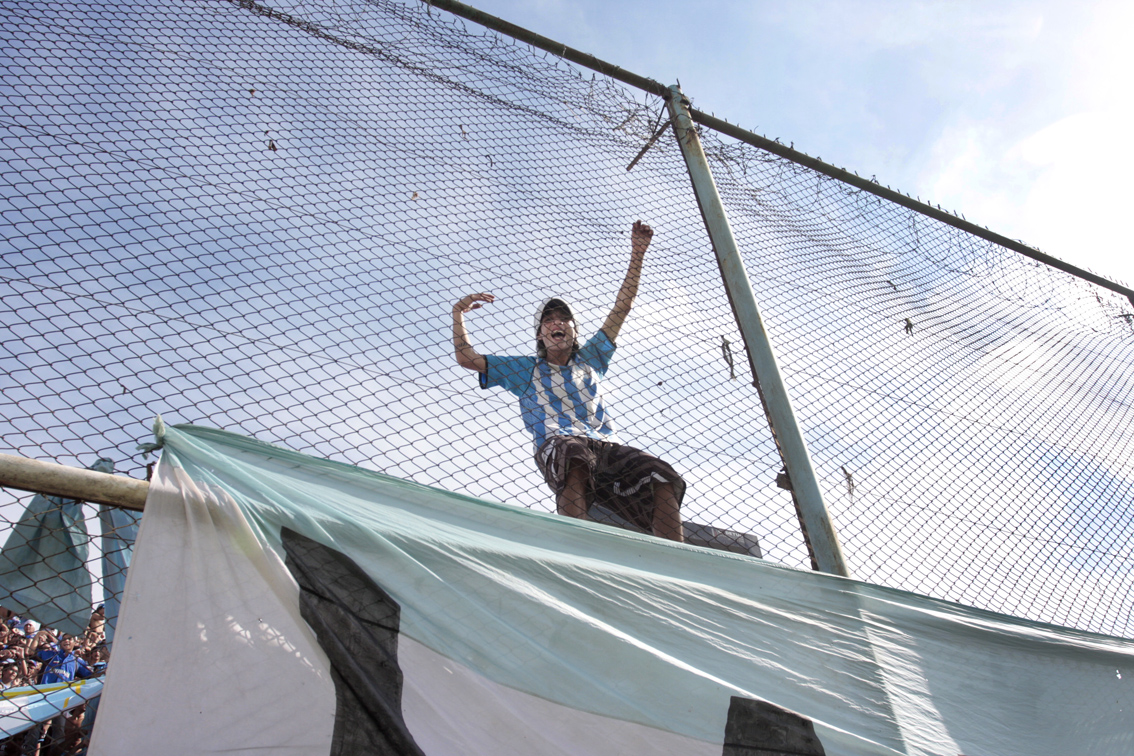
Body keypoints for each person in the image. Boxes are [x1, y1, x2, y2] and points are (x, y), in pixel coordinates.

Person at [452, 220, 686, 542]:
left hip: (606, 448)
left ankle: (675, 555)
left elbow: (623, 308)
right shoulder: (525, 369)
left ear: (574, 332)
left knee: (661, 473)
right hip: (560, 444)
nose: (556, 322)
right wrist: (458, 315)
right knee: (571, 452)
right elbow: (467, 359)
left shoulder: (591, 358)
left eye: (563, 319)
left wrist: (637, 253)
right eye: (548, 320)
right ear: (540, 335)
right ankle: (575, 544)